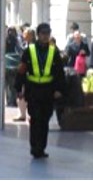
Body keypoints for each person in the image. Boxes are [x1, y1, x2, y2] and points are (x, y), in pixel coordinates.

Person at [15, 22, 66, 159]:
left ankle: (42, 147)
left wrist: (59, 89)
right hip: (33, 90)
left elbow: (59, 72)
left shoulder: (53, 51)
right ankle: (35, 147)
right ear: (38, 35)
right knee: (35, 119)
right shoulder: (29, 50)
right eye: (43, 34)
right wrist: (18, 88)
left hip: (48, 90)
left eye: (47, 34)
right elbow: (22, 70)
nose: (45, 36)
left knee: (44, 120)